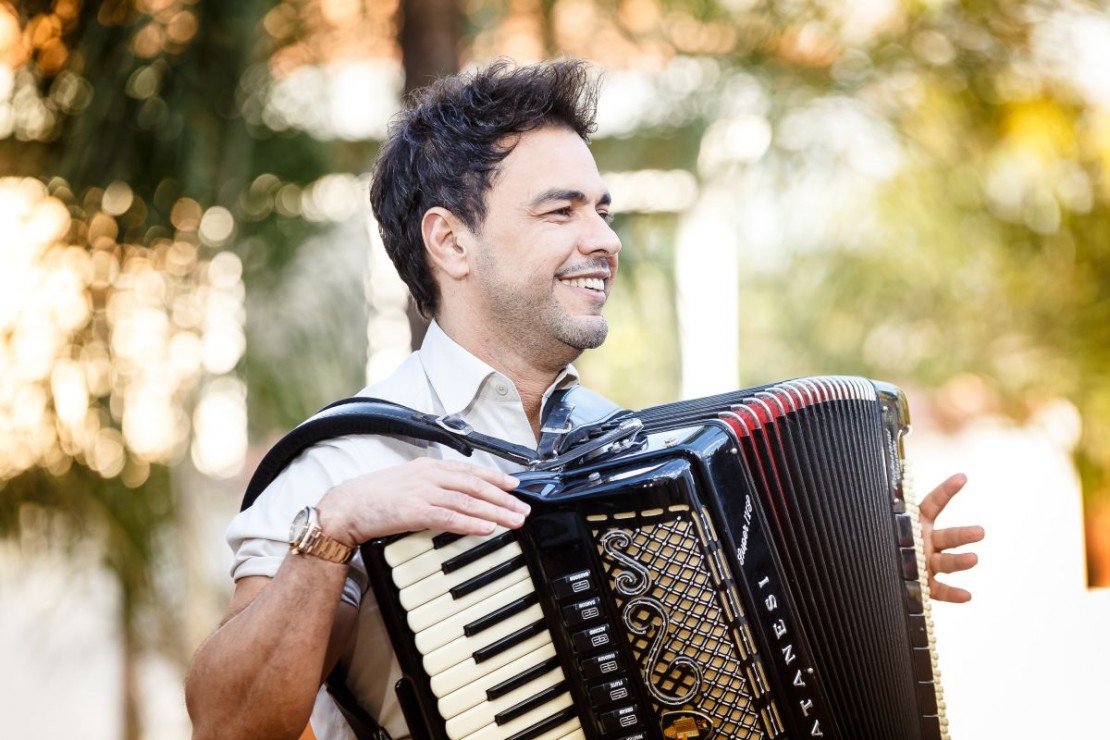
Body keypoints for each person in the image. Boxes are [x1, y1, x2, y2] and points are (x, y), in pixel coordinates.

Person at [185, 59, 985, 740]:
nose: (604, 239)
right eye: (560, 210)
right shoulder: (346, 462)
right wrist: (332, 533)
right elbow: (227, 724)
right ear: (451, 242)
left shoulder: (623, 444)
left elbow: (725, 673)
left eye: (601, 211)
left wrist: (862, 576)